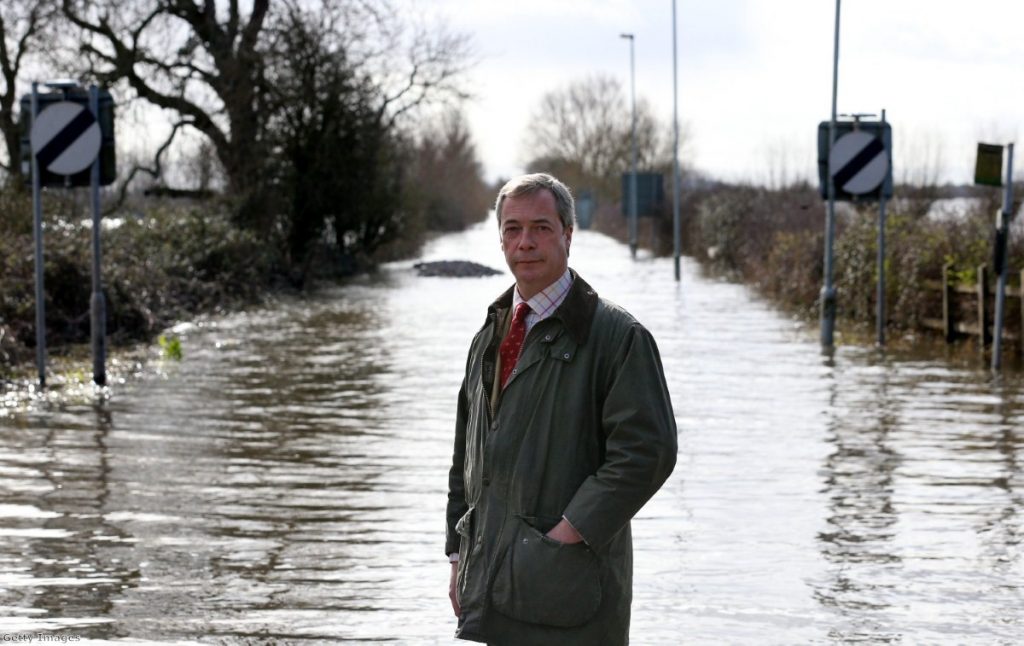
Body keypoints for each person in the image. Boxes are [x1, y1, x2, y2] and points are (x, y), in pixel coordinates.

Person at [445, 173, 677, 645]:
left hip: (571, 592)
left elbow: (647, 453)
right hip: (490, 582)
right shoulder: (488, 336)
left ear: (568, 235)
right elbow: (465, 457)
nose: (525, 242)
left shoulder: (617, 336)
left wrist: (565, 537)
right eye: (513, 229)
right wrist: (457, 554)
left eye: (541, 227)